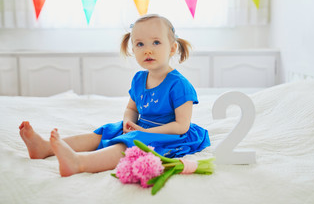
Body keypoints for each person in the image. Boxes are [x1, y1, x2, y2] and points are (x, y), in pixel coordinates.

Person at [19, 14, 211, 177]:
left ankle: (79, 163)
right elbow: (131, 108)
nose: (148, 49)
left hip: (170, 134)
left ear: (172, 48)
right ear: (132, 49)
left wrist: (143, 133)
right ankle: (45, 148)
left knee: (127, 144)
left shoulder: (179, 85)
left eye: (156, 42)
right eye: (140, 44)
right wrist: (128, 121)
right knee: (105, 132)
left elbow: (181, 126)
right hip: (141, 127)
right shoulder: (139, 79)